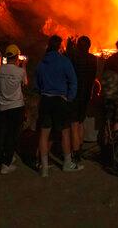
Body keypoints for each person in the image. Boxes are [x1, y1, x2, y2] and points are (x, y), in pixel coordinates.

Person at [35, 34, 81, 176]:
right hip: (60, 100)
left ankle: (44, 168)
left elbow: (36, 84)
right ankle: (67, 164)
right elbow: (73, 81)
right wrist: (70, 97)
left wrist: (43, 91)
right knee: (64, 131)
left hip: (46, 100)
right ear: (60, 47)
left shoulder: (41, 63)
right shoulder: (64, 61)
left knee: (44, 133)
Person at [0, 44, 28, 174]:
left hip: (2, 107)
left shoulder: (0, 70)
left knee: (0, 134)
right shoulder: (20, 71)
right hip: (16, 107)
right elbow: (25, 83)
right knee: (12, 135)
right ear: (17, 56)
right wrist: (24, 65)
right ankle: (6, 164)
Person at [68, 36, 98, 164]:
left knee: (74, 124)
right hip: (86, 94)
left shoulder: (73, 58)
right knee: (80, 122)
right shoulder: (93, 59)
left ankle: (75, 154)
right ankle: (79, 148)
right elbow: (93, 77)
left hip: (75, 94)